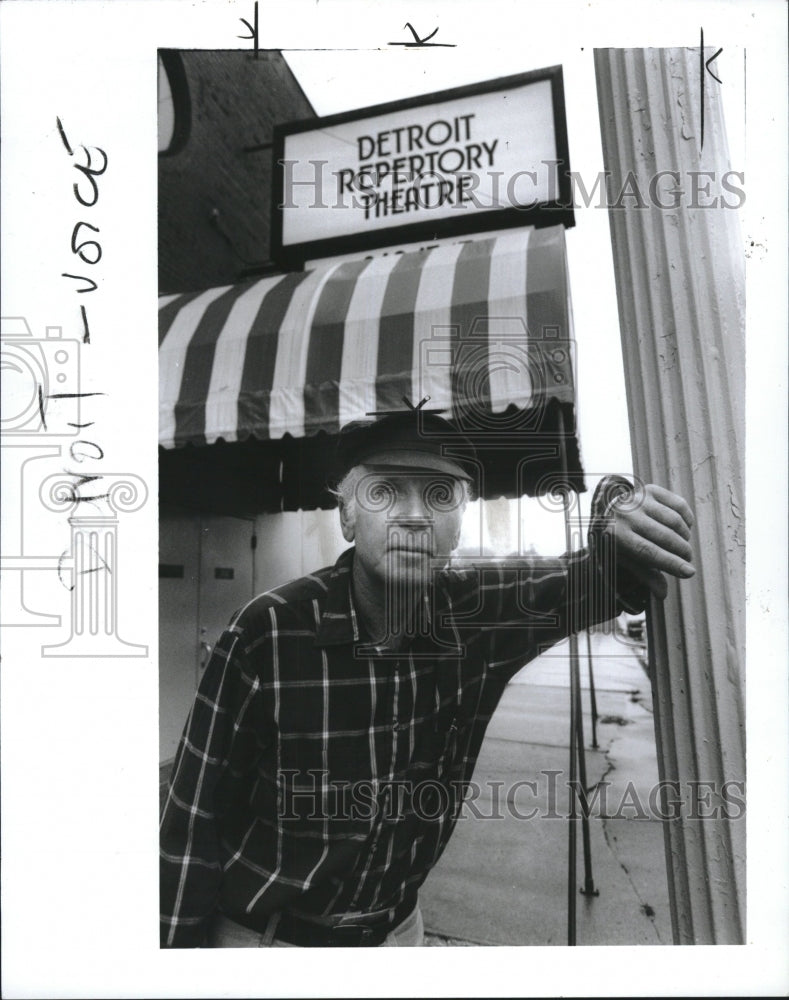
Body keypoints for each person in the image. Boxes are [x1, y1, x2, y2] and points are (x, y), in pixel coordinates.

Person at [160, 408, 695, 948]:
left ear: (458, 521)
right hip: (269, 941)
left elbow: (605, 574)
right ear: (347, 517)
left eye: (440, 495)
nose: (415, 516)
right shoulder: (267, 633)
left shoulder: (478, 615)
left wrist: (620, 501)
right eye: (385, 491)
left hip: (399, 932)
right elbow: (189, 822)